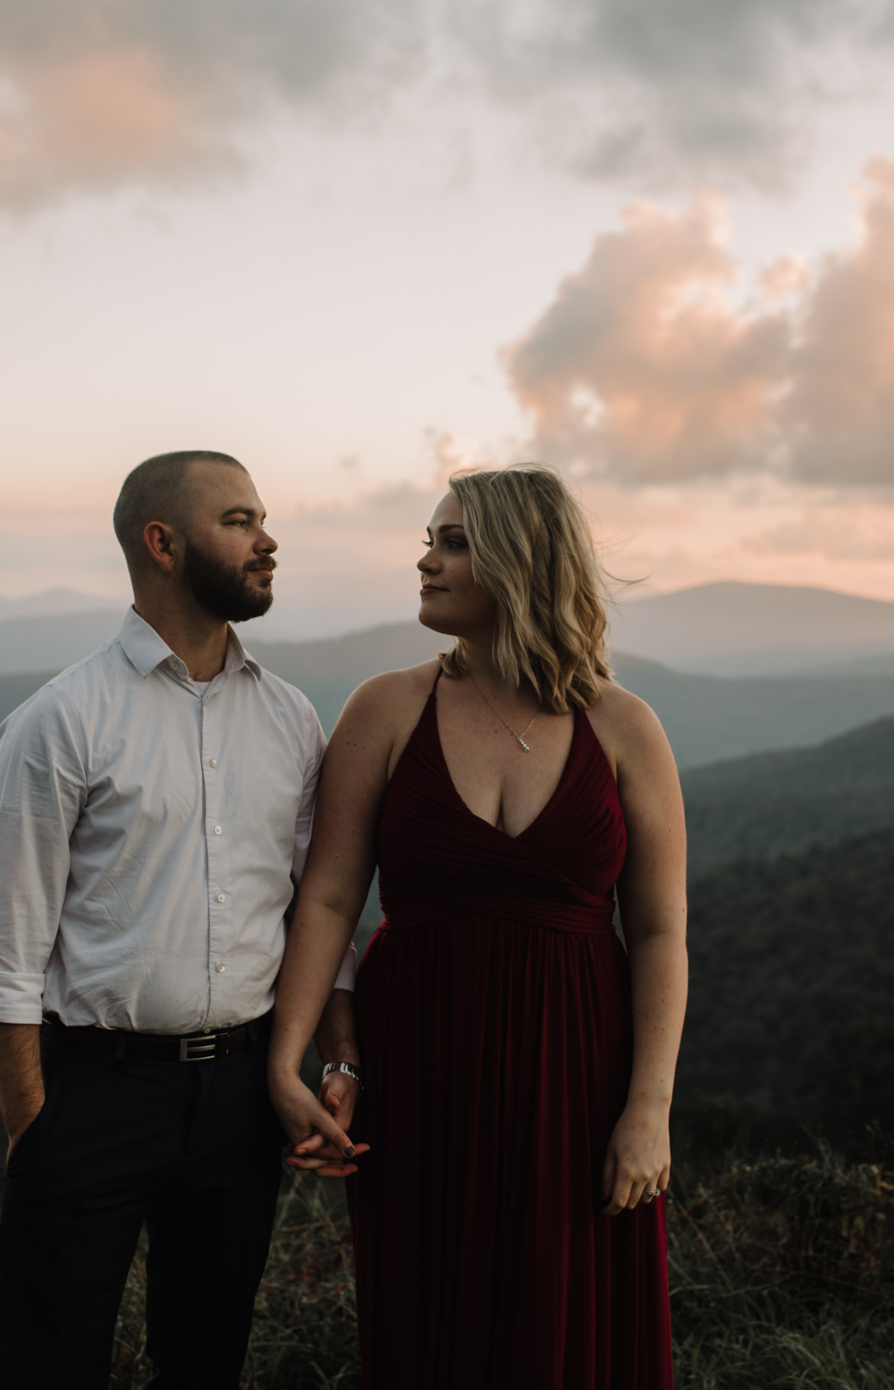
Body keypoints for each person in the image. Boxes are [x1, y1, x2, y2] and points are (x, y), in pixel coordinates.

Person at [265, 464, 689, 1388]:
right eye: (428, 538)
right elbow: (330, 898)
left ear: (522, 560)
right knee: (432, 1322)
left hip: (579, 1068)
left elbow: (658, 930)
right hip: (420, 1059)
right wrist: (292, 1059)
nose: (424, 560)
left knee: (569, 1324)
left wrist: (647, 1109)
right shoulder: (385, 708)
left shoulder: (623, 725)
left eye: (451, 541)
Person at [0, 450, 362, 1390]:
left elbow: (319, 914)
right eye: (239, 520)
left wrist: (334, 1061)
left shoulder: (291, 718)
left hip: (241, 1096)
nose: (268, 542)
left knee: (205, 1361)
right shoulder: (59, 721)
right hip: (94, 1088)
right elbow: (2, 959)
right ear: (162, 543)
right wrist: (37, 1133)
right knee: (52, 1362)